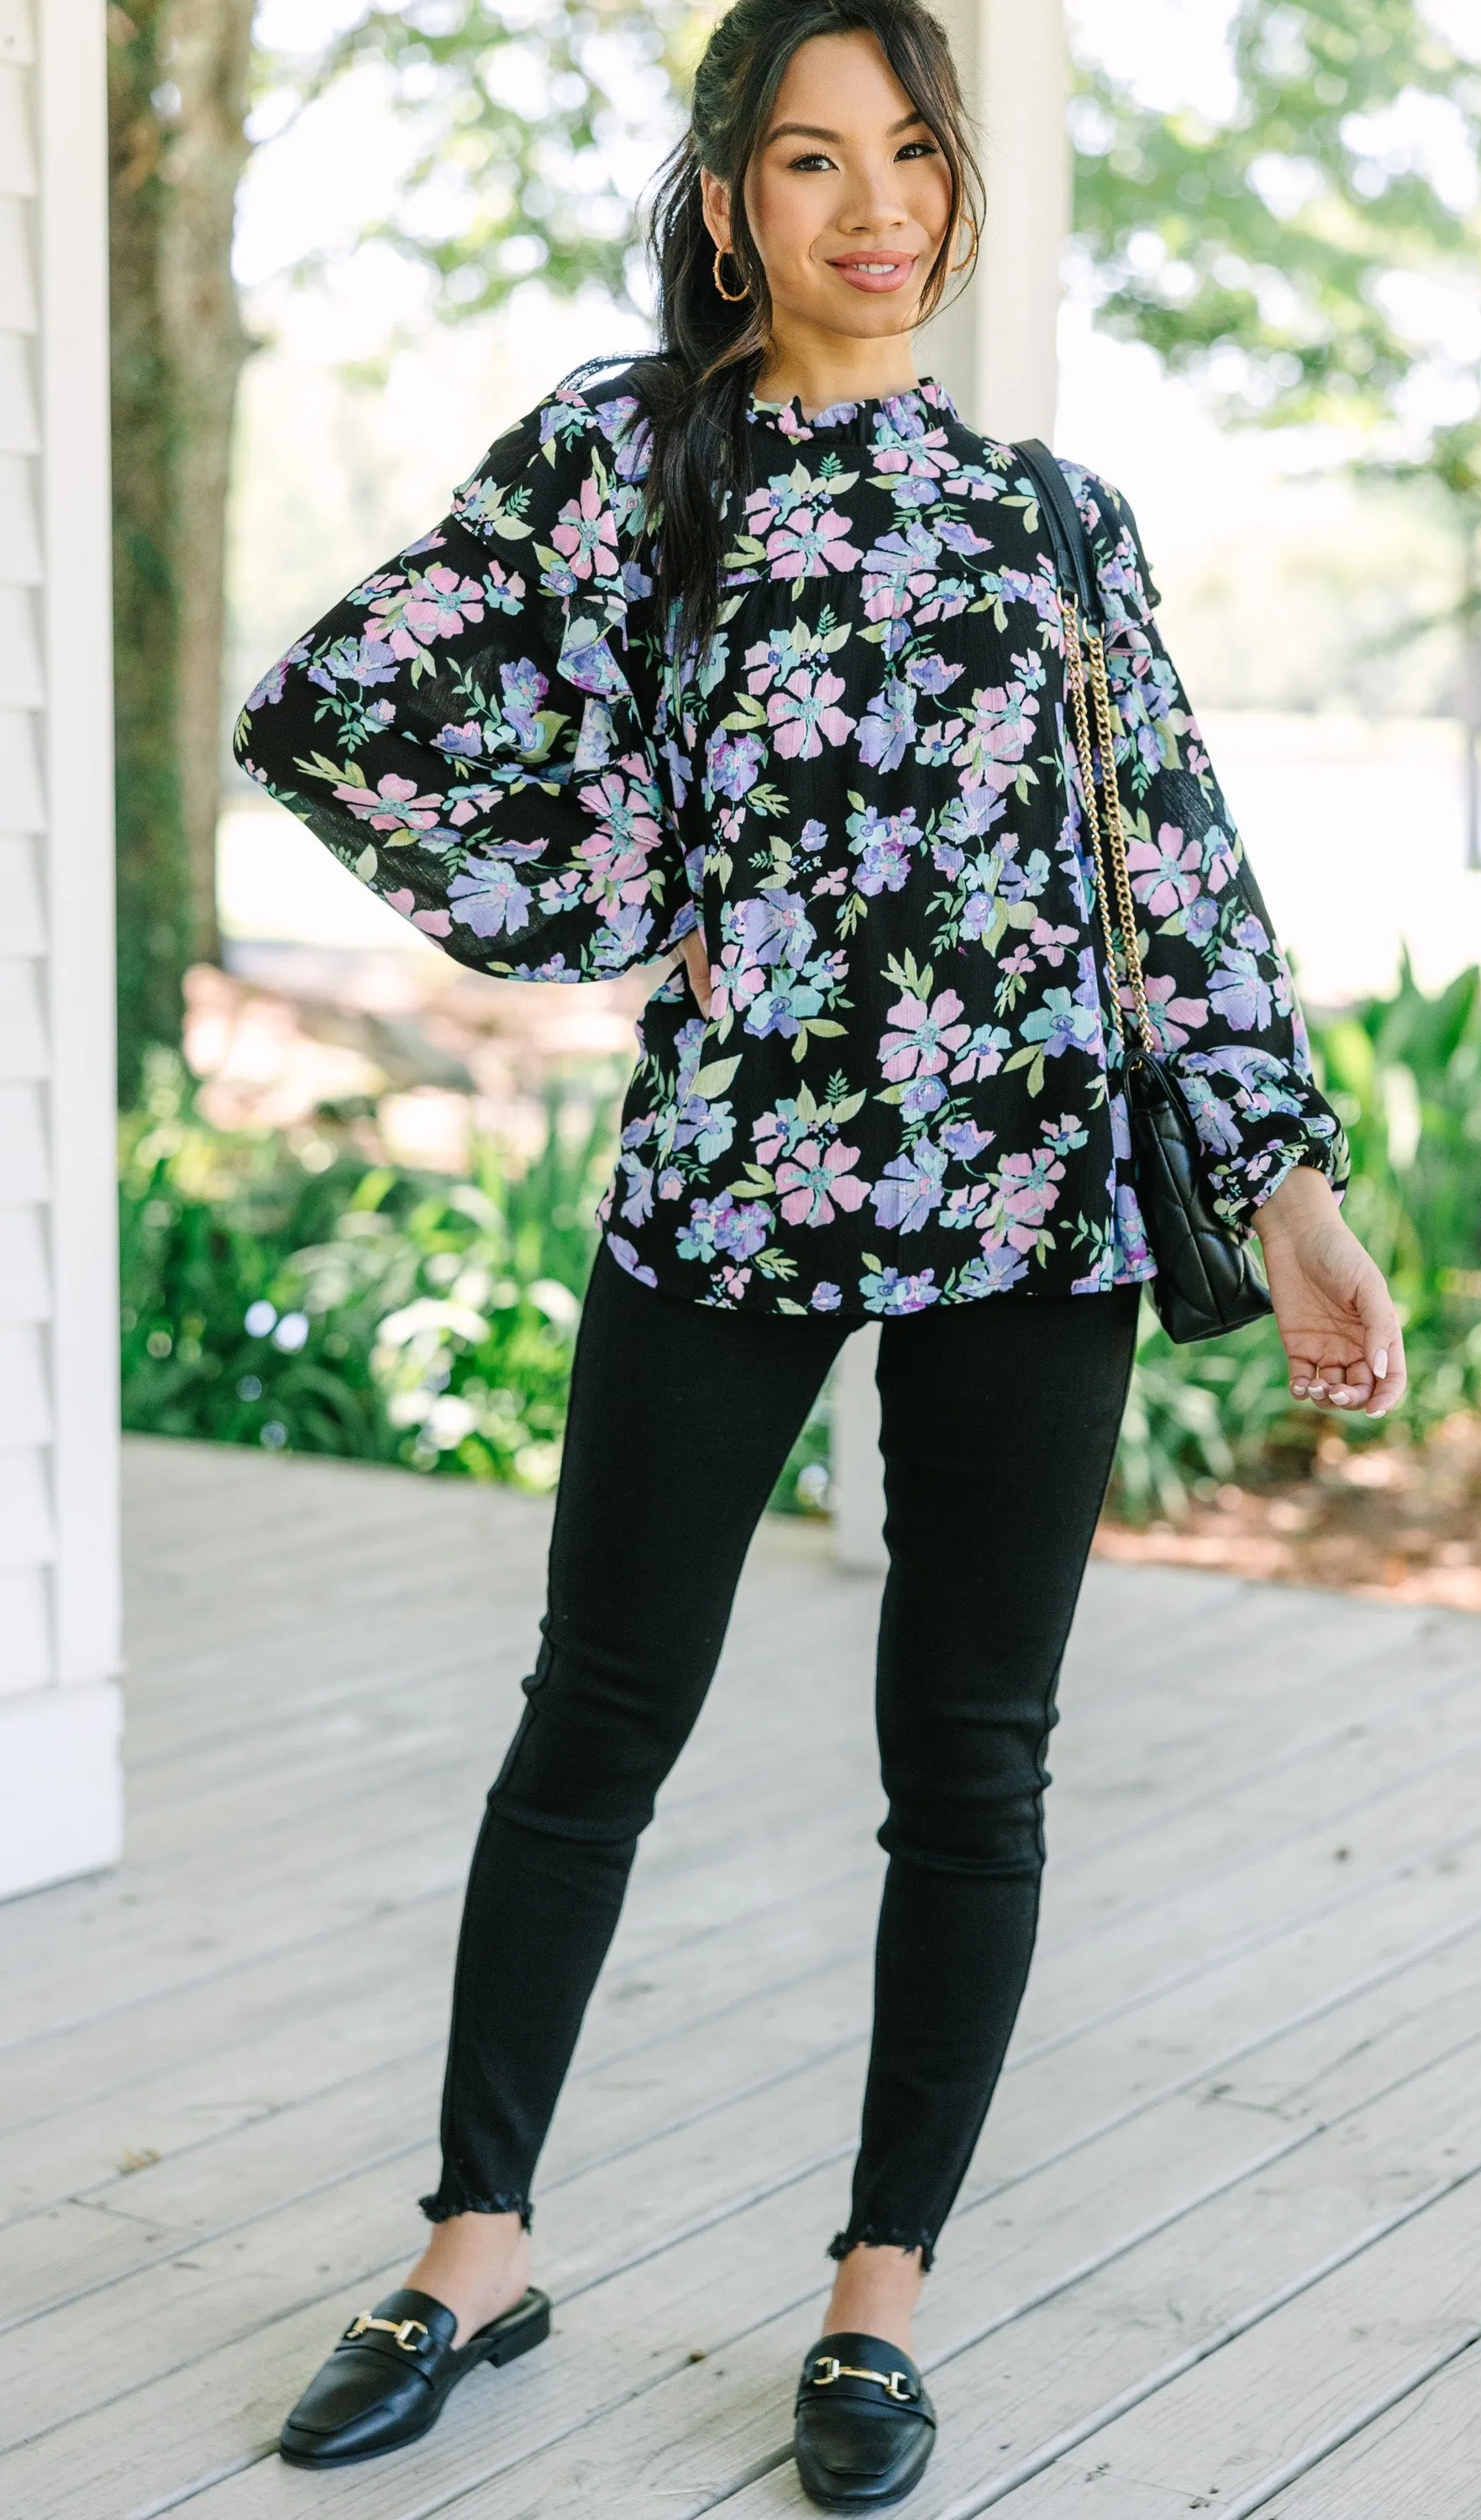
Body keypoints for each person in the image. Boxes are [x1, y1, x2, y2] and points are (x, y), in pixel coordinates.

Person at [234, 0, 1405, 2502]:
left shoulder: (1055, 521)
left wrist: (1293, 1201)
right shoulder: (629, 451)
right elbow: (346, 700)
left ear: (956, 183)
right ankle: (476, 2243)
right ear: (730, 205)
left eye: (909, 152)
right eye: (807, 161)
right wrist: (612, 893)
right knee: (596, 1722)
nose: (874, 206)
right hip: (729, 1185)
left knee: (966, 1766)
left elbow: (1176, 875)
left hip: (1034, 1206)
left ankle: (881, 2298)